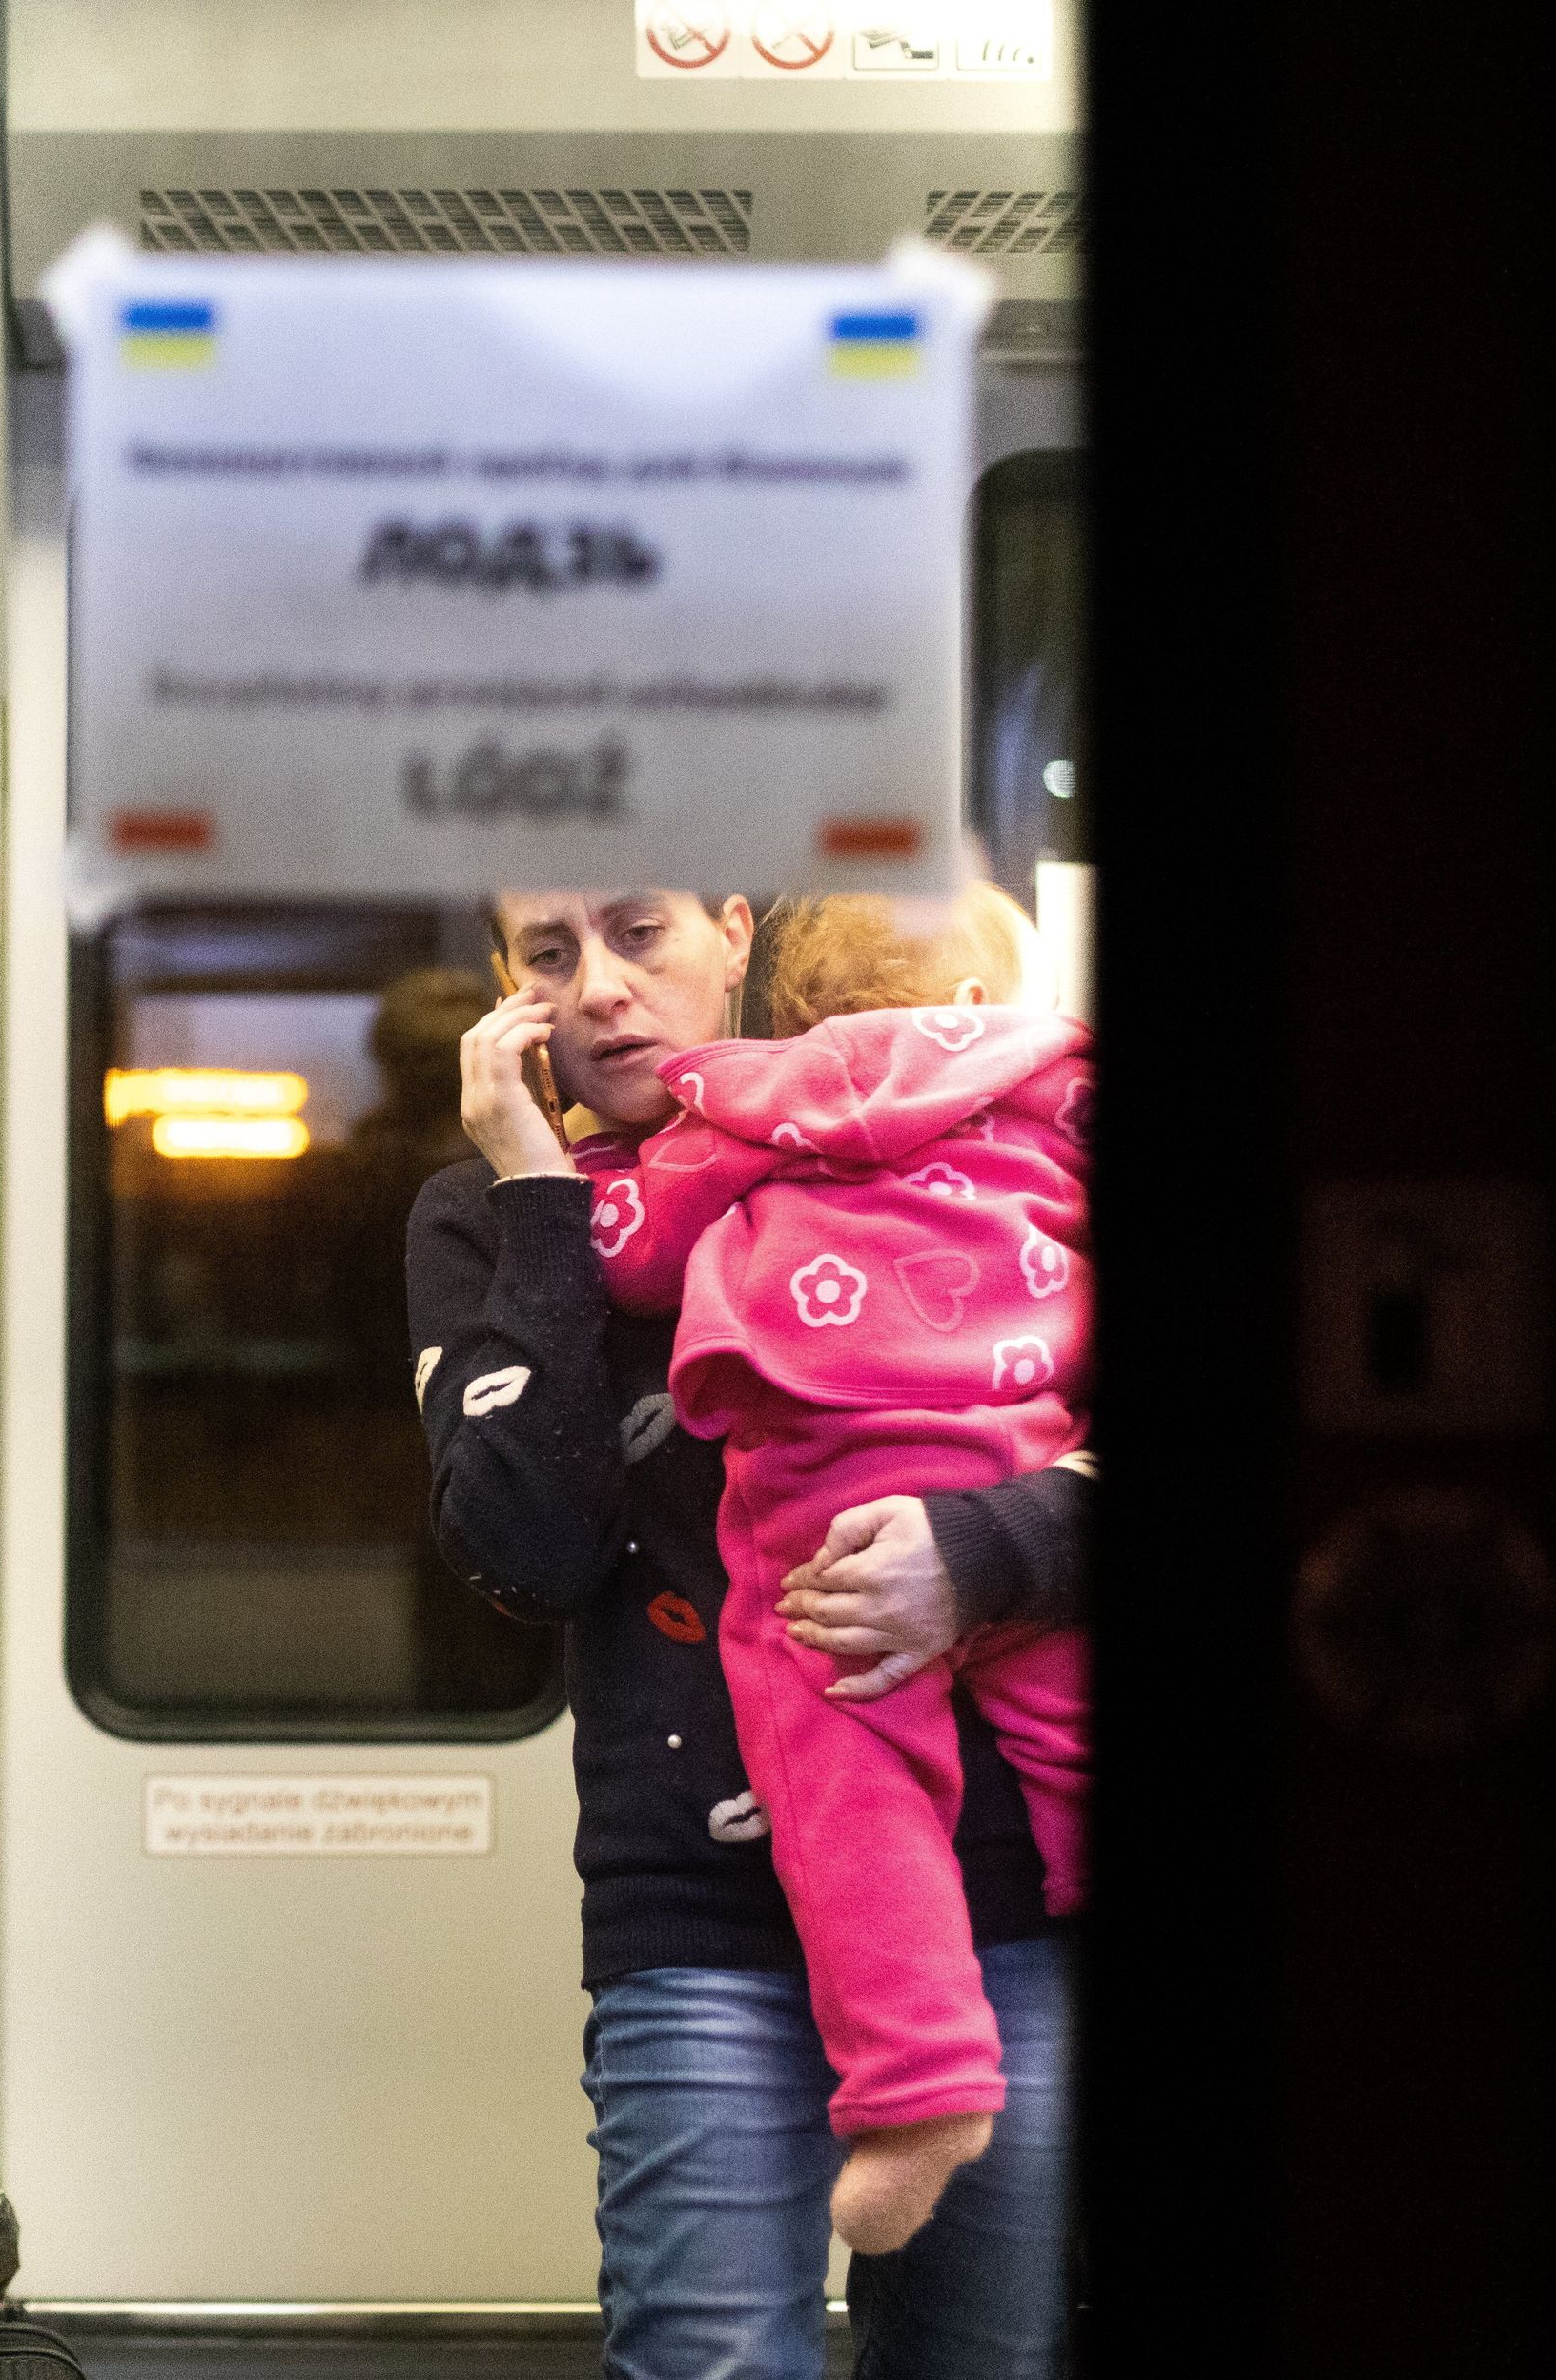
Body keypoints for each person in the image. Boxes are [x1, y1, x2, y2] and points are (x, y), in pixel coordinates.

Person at [407, 888, 1086, 2380]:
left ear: (734, 935)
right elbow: (523, 1552)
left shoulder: (938, 1115)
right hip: (696, 1923)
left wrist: (976, 1551)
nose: (598, 990)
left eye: (638, 934)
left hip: (994, 1905)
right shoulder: (485, 1211)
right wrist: (538, 1197)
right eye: (549, 954)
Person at [574, 886, 1091, 2254]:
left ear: (782, 998)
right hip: (1018, 1446)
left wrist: (551, 1173)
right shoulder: (1051, 1080)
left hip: (837, 1512)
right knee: (1072, 1740)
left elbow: (632, 1260)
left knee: (847, 1770)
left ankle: (922, 2086)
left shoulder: (763, 1105)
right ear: (993, 997)